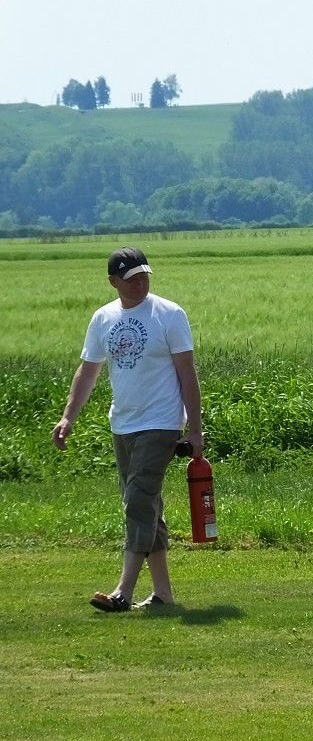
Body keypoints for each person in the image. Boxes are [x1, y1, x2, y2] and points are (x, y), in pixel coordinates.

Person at [52, 246, 204, 612]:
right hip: (123, 423)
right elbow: (88, 371)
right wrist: (68, 416)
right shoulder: (103, 318)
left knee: (137, 500)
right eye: (133, 278)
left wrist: (195, 429)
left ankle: (124, 590)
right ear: (113, 281)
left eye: (145, 275)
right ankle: (164, 593)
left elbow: (187, 374)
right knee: (146, 504)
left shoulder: (169, 314)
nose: (141, 283)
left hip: (163, 422)